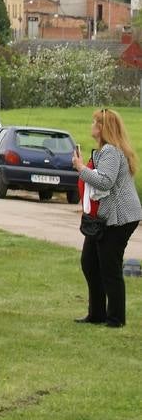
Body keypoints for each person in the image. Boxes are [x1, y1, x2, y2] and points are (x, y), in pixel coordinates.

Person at [72, 109, 142, 327]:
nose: (91, 125)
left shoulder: (111, 151)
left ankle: (115, 318)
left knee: (109, 267)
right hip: (104, 218)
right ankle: (97, 314)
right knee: (90, 262)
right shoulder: (107, 150)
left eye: (95, 122)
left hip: (120, 218)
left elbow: (105, 182)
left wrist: (81, 168)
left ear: (103, 128)